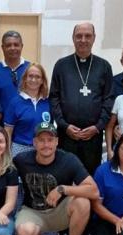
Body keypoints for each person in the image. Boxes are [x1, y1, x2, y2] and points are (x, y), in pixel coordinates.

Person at [14, 121, 99, 235]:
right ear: (34, 142)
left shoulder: (68, 160)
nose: (46, 144)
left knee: (83, 202)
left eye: (50, 140)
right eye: (41, 140)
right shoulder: (21, 160)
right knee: (23, 233)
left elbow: (93, 191)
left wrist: (63, 189)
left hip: (60, 211)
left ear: (57, 141)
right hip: (33, 212)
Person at [50, 22, 114, 175]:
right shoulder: (61, 65)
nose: (83, 40)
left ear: (94, 38)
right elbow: (54, 98)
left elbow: (109, 99)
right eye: (79, 36)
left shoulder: (104, 66)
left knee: (90, 176)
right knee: (64, 175)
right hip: (66, 135)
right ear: (73, 38)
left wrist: (97, 127)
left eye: (88, 36)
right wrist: (64, 125)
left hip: (93, 137)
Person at [4, 63, 51, 157]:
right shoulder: (15, 102)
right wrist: (7, 155)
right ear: (25, 79)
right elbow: (8, 131)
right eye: (30, 76)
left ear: (42, 80)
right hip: (20, 150)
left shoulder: (47, 102)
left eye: (38, 77)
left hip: (42, 150)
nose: (34, 80)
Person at [0, 31, 31, 111]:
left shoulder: (31, 69)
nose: (12, 48)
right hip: (1, 122)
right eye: (8, 45)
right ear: (2, 48)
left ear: (22, 46)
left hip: (28, 121)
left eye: (16, 45)